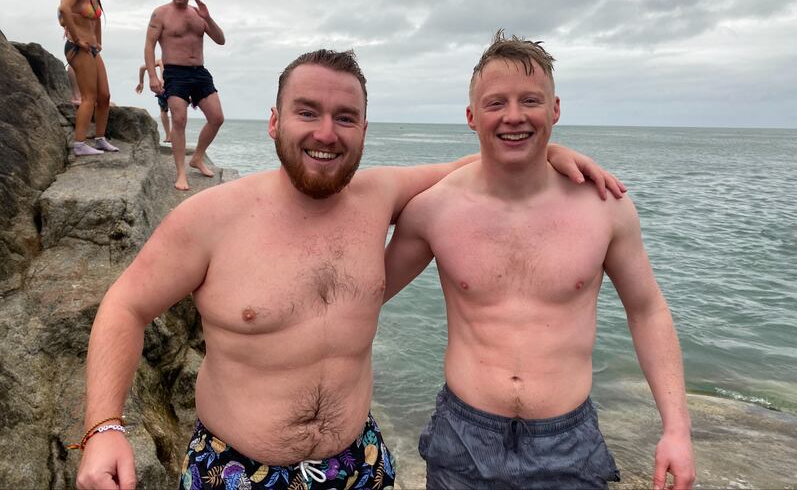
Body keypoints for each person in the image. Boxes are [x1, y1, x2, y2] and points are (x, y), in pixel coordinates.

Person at [75, 48, 625, 490]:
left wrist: (550, 151)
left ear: (364, 128)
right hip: (236, 470)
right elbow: (126, 306)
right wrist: (103, 428)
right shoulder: (210, 218)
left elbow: (483, 162)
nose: (326, 133)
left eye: (346, 117)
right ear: (273, 121)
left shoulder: (379, 194)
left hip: (359, 465)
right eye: (307, 112)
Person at [384, 31, 696, 490]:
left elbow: (647, 311)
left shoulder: (604, 205)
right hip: (464, 437)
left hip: (568, 439)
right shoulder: (434, 209)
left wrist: (677, 430)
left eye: (530, 100)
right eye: (496, 103)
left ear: (555, 109)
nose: (514, 116)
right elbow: (364, 297)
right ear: (472, 116)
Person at [145, 0, 224, 190]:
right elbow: (149, 45)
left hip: (199, 72)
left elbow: (221, 40)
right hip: (174, 72)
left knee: (217, 117)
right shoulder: (160, 14)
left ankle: (197, 158)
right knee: (179, 120)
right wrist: (152, 76)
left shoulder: (198, 14)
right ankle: (181, 173)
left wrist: (208, 18)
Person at [59, 0, 119, 156]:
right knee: (89, 97)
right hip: (78, 48)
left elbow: (97, 19)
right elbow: (64, 9)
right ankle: (79, 144)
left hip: (92, 49)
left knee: (104, 96)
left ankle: (100, 139)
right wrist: (76, 38)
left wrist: (99, 42)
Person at [135, 58, 171, 142]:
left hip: (163, 89)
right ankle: (170, 135)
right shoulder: (164, 61)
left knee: (164, 111)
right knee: (171, 110)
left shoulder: (162, 60)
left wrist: (141, 82)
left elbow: (142, 68)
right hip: (168, 89)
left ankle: (169, 136)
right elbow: (142, 68)